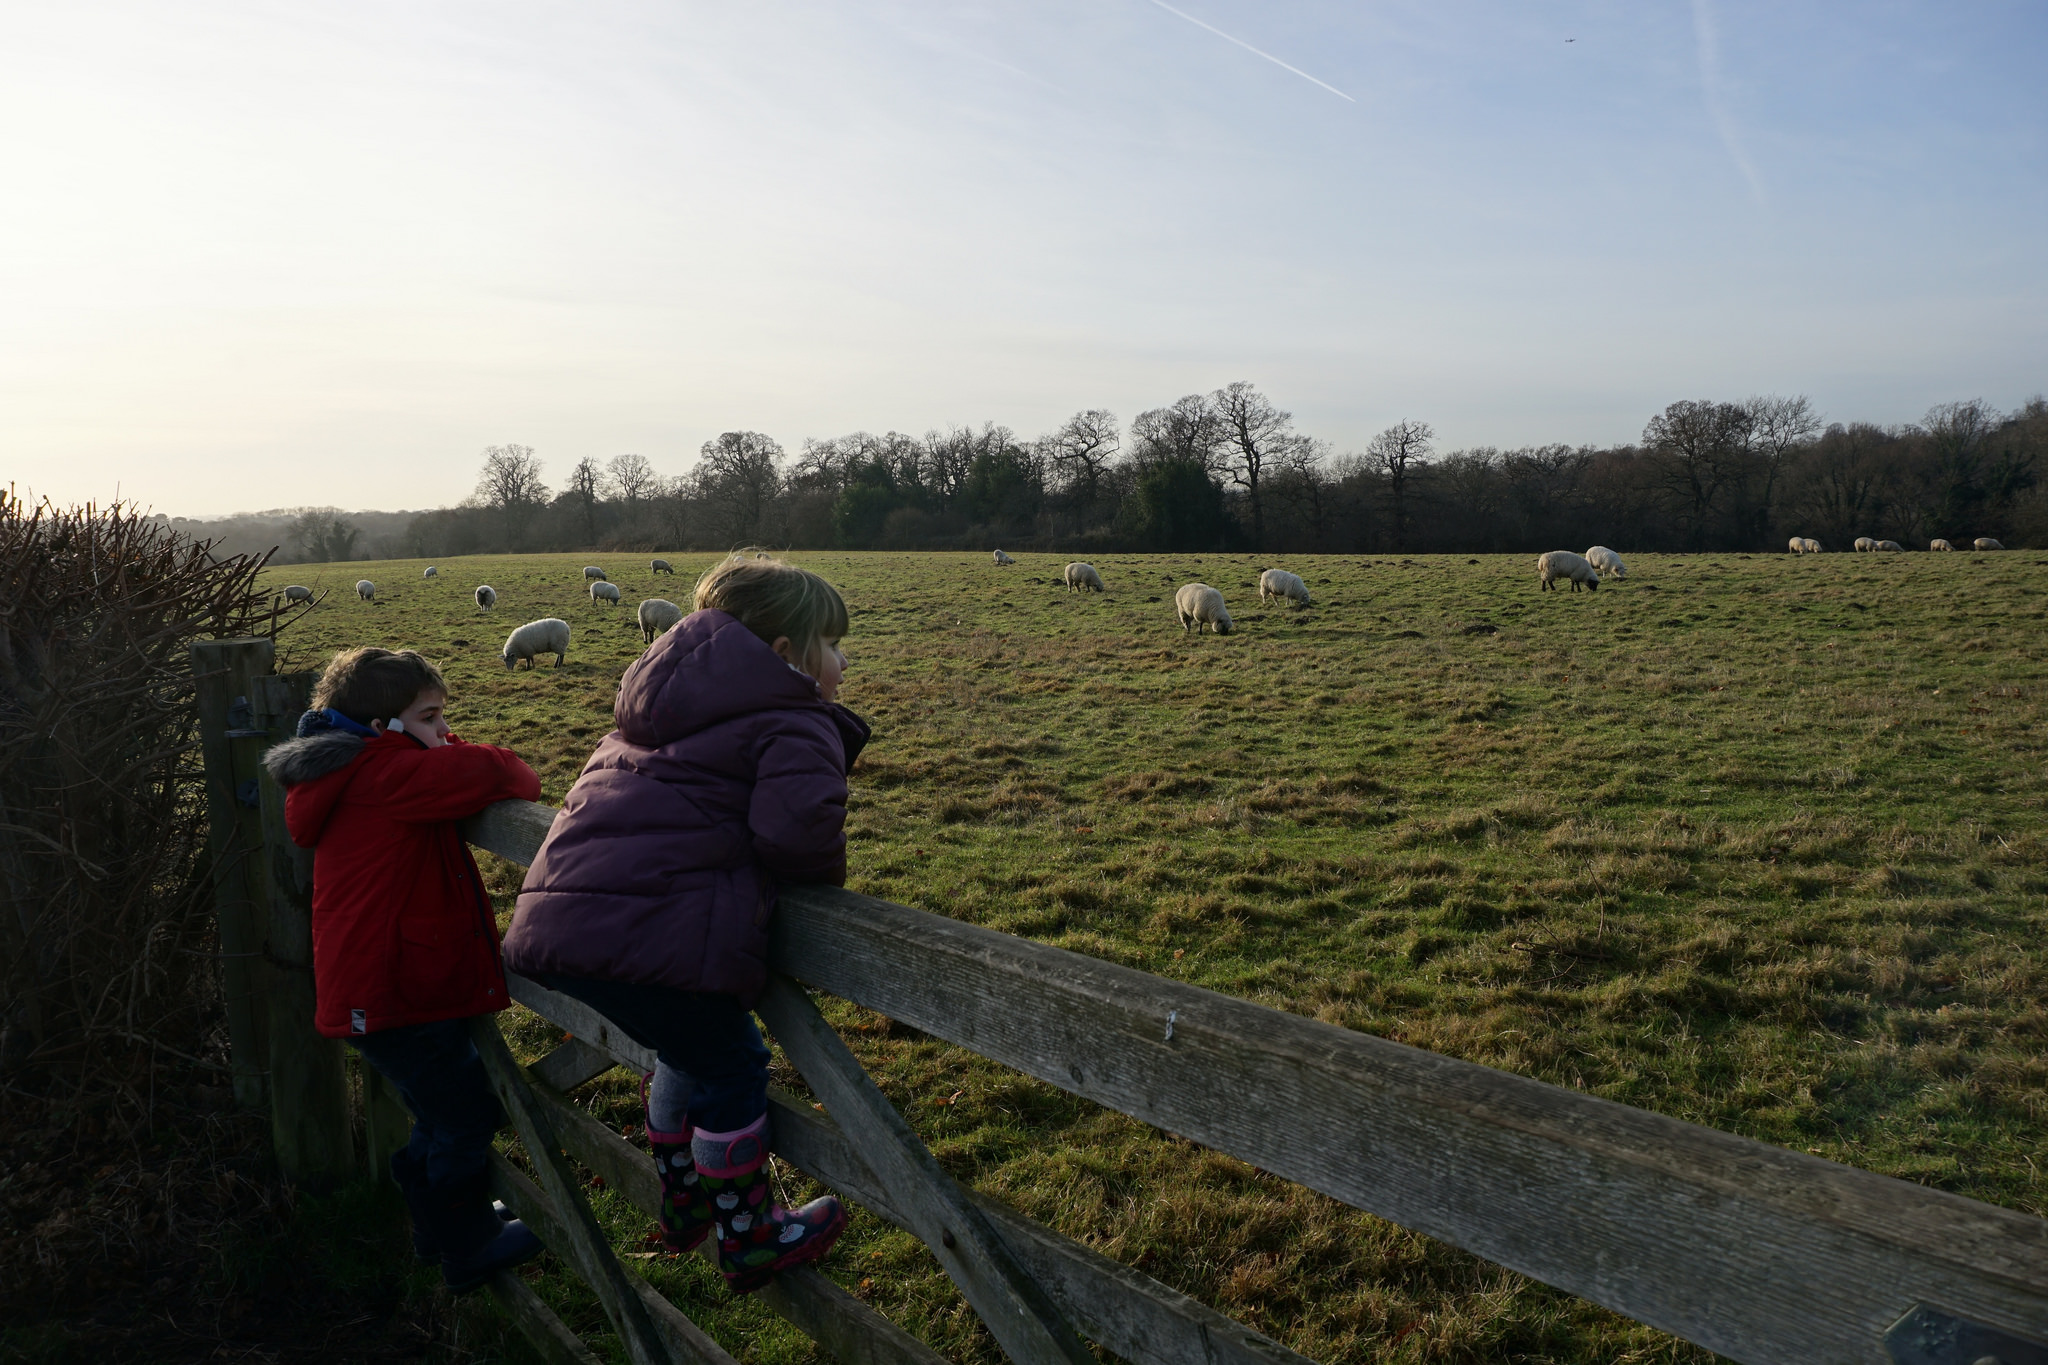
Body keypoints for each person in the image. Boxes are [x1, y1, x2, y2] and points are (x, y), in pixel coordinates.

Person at [502, 554, 868, 1294]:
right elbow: (797, 835)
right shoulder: (793, 717)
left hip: (562, 927)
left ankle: (683, 1194)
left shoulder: (648, 704)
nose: (843, 661)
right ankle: (748, 1231)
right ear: (787, 654)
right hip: (648, 934)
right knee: (732, 1063)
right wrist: (822, 884)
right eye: (832, 645)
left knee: (684, 1049)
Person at [263, 647, 546, 1293]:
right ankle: (467, 1245)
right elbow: (516, 775)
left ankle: (434, 1225)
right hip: (397, 991)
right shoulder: (389, 774)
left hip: (378, 989)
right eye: (430, 716)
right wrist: (454, 751)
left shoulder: (348, 767)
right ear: (383, 726)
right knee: (464, 1116)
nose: (446, 728)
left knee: (439, 1111)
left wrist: (430, 740)